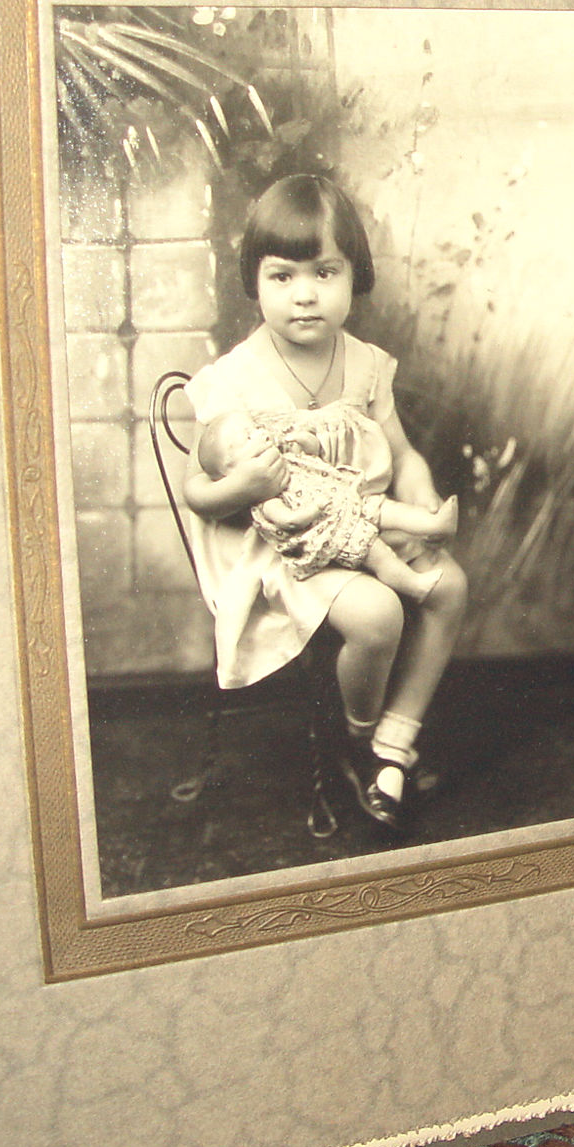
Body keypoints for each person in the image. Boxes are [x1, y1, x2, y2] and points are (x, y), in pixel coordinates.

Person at [182, 173, 468, 827]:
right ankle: (359, 736)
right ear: (254, 282)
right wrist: (243, 487)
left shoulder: (366, 365)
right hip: (286, 545)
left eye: (325, 272)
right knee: (377, 617)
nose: (305, 295)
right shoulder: (234, 379)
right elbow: (198, 492)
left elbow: (400, 448)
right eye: (282, 277)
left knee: (449, 585)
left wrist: (418, 488)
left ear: (354, 276)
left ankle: (398, 734)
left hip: (360, 518)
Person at [193, 407, 455, 600]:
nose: (261, 434)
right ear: (232, 469)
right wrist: (312, 510)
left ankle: (433, 523)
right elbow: (289, 520)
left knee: (385, 507)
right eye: (248, 438)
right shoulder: (264, 497)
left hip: (348, 500)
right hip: (333, 531)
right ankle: (413, 585)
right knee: (376, 551)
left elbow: (314, 458)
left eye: (255, 428)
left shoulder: (283, 456)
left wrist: (308, 443)